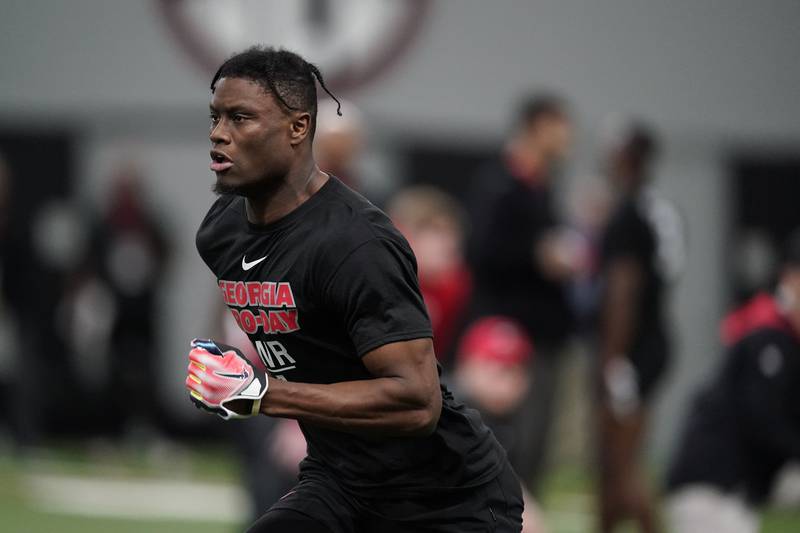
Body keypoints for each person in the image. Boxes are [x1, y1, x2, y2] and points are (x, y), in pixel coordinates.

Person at [186, 46, 523, 533]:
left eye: (241, 118)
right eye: (215, 117)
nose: (219, 134)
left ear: (299, 128)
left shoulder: (356, 243)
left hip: (445, 499)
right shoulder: (220, 231)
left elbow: (416, 402)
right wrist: (219, 364)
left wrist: (263, 394)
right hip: (341, 480)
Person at [466, 93, 577, 493]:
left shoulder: (544, 186)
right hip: (508, 338)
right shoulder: (499, 184)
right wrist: (539, 256)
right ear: (534, 128)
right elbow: (481, 251)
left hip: (544, 336)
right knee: (502, 444)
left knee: (535, 447)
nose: (567, 136)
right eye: (558, 126)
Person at [665, 231, 800, 533]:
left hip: (737, 494)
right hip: (710, 492)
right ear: (791, 279)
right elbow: (764, 420)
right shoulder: (769, 336)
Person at [593, 120, 682, 533]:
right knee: (614, 465)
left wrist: (613, 361)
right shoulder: (657, 208)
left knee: (621, 464)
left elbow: (622, 293)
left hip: (631, 350)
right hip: (651, 343)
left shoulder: (629, 214)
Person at [387, 186, 472, 368]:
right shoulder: (380, 281)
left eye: (451, 233)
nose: (449, 244)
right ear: (404, 235)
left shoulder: (455, 285)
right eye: (436, 232)